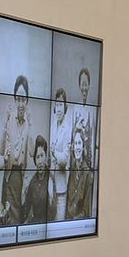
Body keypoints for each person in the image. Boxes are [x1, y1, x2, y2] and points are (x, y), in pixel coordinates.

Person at [0, 75, 34, 224]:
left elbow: (32, 152)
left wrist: (31, 124)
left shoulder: (28, 123)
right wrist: (4, 123)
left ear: (27, 100)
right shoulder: (8, 120)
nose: (21, 104)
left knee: (20, 220)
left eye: (23, 99)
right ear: (14, 99)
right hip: (9, 177)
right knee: (9, 221)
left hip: (22, 180)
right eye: (18, 99)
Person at [50, 89, 73, 220]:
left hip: (61, 185)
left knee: (60, 220)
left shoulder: (68, 129)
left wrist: (54, 153)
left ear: (65, 107)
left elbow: (64, 159)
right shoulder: (53, 125)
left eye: (61, 105)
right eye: (56, 104)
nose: (58, 109)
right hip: (51, 182)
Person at [22, 135, 53, 224]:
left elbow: (53, 212)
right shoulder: (32, 182)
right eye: (37, 157)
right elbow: (26, 211)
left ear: (46, 156)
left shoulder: (51, 178)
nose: (40, 161)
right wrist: (23, 193)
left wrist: (51, 197)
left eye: (42, 156)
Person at [66, 126, 94, 220]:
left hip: (79, 222)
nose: (77, 147)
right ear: (73, 147)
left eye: (79, 143)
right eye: (75, 143)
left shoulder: (87, 174)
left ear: (83, 147)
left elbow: (86, 211)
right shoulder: (71, 170)